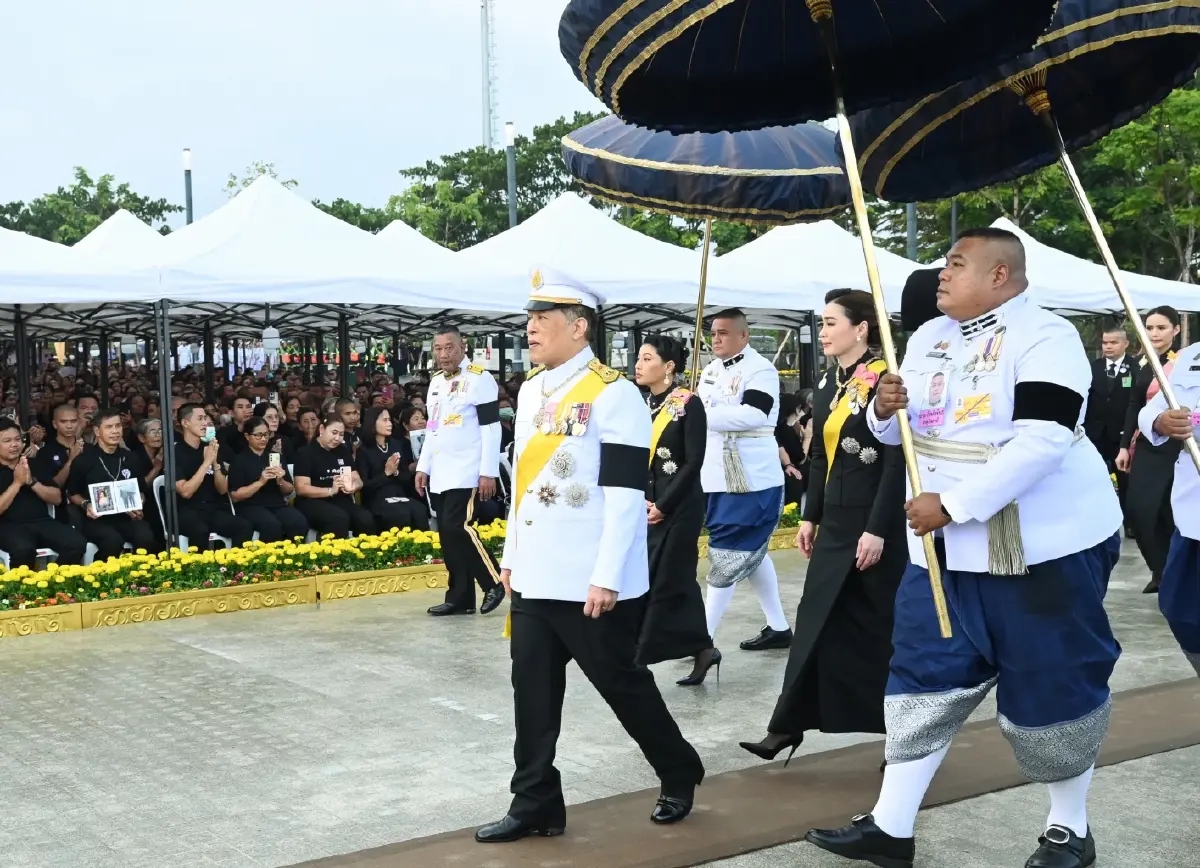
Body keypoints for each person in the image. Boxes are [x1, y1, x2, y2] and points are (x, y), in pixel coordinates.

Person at [806, 228, 1123, 868]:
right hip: (940, 551)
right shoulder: (928, 338)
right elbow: (899, 432)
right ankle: (890, 829)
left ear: (1000, 275)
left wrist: (953, 505)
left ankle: (1069, 829)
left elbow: (1044, 440)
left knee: (1052, 683)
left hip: (1041, 547)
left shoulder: (1048, 338)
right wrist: (883, 408)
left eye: (955, 264)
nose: (941, 274)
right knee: (922, 676)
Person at [475, 268, 704, 845]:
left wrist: (606, 577)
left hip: (588, 581)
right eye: (528, 318)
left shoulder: (614, 392)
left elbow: (627, 498)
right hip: (534, 574)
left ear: (579, 327)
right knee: (531, 693)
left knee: (622, 685)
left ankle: (678, 769)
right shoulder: (530, 390)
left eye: (541, 319)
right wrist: (511, 555)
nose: (529, 329)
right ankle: (535, 803)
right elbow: (524, 485)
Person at [741, 289, 906, 767]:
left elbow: (896, 462)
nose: (824, 331)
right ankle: (786, 724)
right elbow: (817, 457)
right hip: (834, 523)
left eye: (832, 322)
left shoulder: (886, 381)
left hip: (877, 525)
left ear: (862, 329)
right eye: (822, 322)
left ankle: (901, 735)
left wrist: (877, 529)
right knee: (815, 624)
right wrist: (809, 516)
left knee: (880, 633)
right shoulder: (829, 385)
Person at [696, 308, 792, 651]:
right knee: (750, 552)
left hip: (750, 477)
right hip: (716, 474)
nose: (716, 339)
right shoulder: (708, 370)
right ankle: (779, 627)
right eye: (713, 333)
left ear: (743, 336)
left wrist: (701, 415)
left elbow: (755, 414)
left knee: (727, 553)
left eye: (723, 332)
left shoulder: (761, 370)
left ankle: (702, 638)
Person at [634, 335, 714, 682]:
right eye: (638, 357)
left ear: (668, 367)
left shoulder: (688, 404)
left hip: (680, 507)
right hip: (650, 505)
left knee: (665, 579)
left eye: (647, 358)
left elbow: (693, 461)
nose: (638, 364)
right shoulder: (642, 404)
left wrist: (664, 505)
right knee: (675, 580)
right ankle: (703, 647)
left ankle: (640, 654)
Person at [415, 325, 506, 617]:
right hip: (441, 469)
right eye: (438, 349)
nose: (443, 354)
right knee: (447, 534)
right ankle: (460, 596)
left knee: (459, 527)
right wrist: (423, 466)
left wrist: (488, 471)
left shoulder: (480, 380)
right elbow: (432, 428)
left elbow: (491, 429)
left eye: (449, 347)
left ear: (463, 346)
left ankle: (493, 581)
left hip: (468, 468)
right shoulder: (436, 383)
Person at [1138, 340, 1200, 677]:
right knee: (1181, 609)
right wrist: (1161, 421)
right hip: (1193, 515)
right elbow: (1152, 409)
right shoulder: (1192, 356)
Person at [1117, 307, 1182, 593]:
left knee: (1169, 512)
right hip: (1144, 442)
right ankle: (1160, 568)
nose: (1154, 333)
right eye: (1149, 327)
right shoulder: (1142, 362)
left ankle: (1175, 573)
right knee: (1138, 510)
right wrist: (1123, 447)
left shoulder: (1183, 362)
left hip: (1177, 444)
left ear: (1176, 330)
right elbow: (1134, 405)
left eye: (1161, 328)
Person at [68, 409, 159, 560]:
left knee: (146, 537)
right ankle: (103, 579)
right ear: (97, 431)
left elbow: (140, 490)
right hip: (96, 521)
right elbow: (72, 493)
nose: (115, 431)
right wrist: (86, 504)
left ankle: (139, 577)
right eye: (109, 427)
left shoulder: (130, 457)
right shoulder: (83, 460)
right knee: (112, 541)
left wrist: (137, 504)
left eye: (118, 426)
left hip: (125, 518)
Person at [0, 418, 86, 567]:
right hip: (7, 526)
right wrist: (17, 483)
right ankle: (22, 589)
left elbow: (57, 498)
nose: (14, 445)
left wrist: (32, 483)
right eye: (7, 441)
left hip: (42, 522)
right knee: (23, 549)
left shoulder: (34, 464)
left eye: (17, 439)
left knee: (77, 543)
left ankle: (54, 583)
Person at [173, 404, 255, 550]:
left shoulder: (210, 447)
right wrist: (206, 462)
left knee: (244, 526)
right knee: (200, 531)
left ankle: (234, 570)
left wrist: (215, 463)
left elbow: (223, 490)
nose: (205, 423)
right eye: (199, 419)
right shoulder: (175, 452)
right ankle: (201, 571)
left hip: (212, 508)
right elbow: (186, 492)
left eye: (205, 418)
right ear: (185, 423)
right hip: (187, 511)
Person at [228, 416, 309, 542]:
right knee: (271, 525)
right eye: (258, 435)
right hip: (250, 506)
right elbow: (235, 495)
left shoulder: (275, 457)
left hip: (277, 504)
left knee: (298, 521)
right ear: (247, 436)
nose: (264, 439)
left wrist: (280, 480)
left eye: (267, 434)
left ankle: (293, 557)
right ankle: (269, 559)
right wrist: (260, 482)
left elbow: (289, 490)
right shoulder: (239, 460)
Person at [293, 416, 375, 538]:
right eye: (334, 433)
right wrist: (331, 490)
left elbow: (357, 479)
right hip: (312, 501)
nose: (337, 438)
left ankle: (363, 554)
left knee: (365, 518)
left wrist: (354, 486)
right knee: (338, 518)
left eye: (341, 434)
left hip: (340, 499)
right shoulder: (305, 452)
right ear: (322, 429)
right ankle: (333, 556)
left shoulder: (343, 450)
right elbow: (301, 488)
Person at [1085, 325, 1135, 521]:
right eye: (1105, 342)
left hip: (1121, 434)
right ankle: (1095, 518)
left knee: (1124, 480)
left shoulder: (1135, 367)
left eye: (1113, 342)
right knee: (1095, 477)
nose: (1108, 347)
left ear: (1125, 344)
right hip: (1095, 433)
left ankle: (1128, 521)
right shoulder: (1092, 367)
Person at [356, 405, 430, 532]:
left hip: (399, 495)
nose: (389, 423)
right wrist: (386, 473)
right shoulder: (364, 451)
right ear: (373, 423)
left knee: (419, 510)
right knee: (399, 514)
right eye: (384, 420)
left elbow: (406, 477)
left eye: (389, 420)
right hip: (377, 499)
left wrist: (396, 472)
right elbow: (365, 486)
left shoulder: (396, 444)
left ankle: (422, 549)